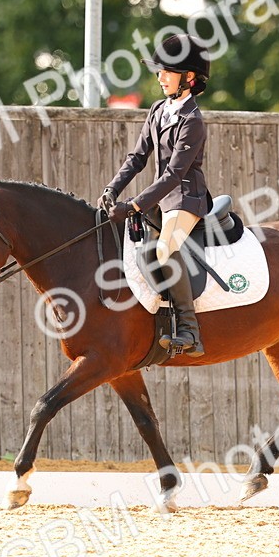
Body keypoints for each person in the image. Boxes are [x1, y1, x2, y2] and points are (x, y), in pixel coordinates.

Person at [98, 34, 212, 357]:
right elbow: (137, 157)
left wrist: (134, 205)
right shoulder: (158, 110)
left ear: (188, 78)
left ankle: (190, 331)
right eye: (159, 70)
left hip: (185, 199)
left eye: (167, 71)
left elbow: (173, 175)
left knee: (165, 249)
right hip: (162, 200)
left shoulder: (193, 121)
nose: (159, 76)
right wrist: (112, 188)